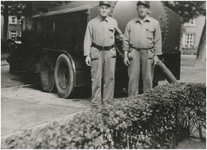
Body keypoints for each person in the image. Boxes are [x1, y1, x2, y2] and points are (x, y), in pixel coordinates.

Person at [84, 1, 123, 109]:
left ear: (110, 10)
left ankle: (108, 103)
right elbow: (87, 39)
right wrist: (87, 55)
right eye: (102, 8)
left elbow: (120, 35)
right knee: (96, 79)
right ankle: (96, 104)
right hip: (96, 51)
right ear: (99, 9)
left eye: (106, 8)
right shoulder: (91, 23)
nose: (104, 10)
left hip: (110, 53)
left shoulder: (113, 22)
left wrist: (127, 43)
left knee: (109, 79)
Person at [123, 1, 162, 97]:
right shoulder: (130, 23)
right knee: (132, 79)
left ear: (148, 9)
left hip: (148, 52)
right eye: (139, 7)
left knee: (148, 79)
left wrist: (156, 56)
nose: (141, 10)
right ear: (137, 9)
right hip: (134, 52)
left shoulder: (154, 23)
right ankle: (132, 101)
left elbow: (157, 40)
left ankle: (147, 102)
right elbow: (126, 40)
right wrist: (125, 56)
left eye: (144, 8)